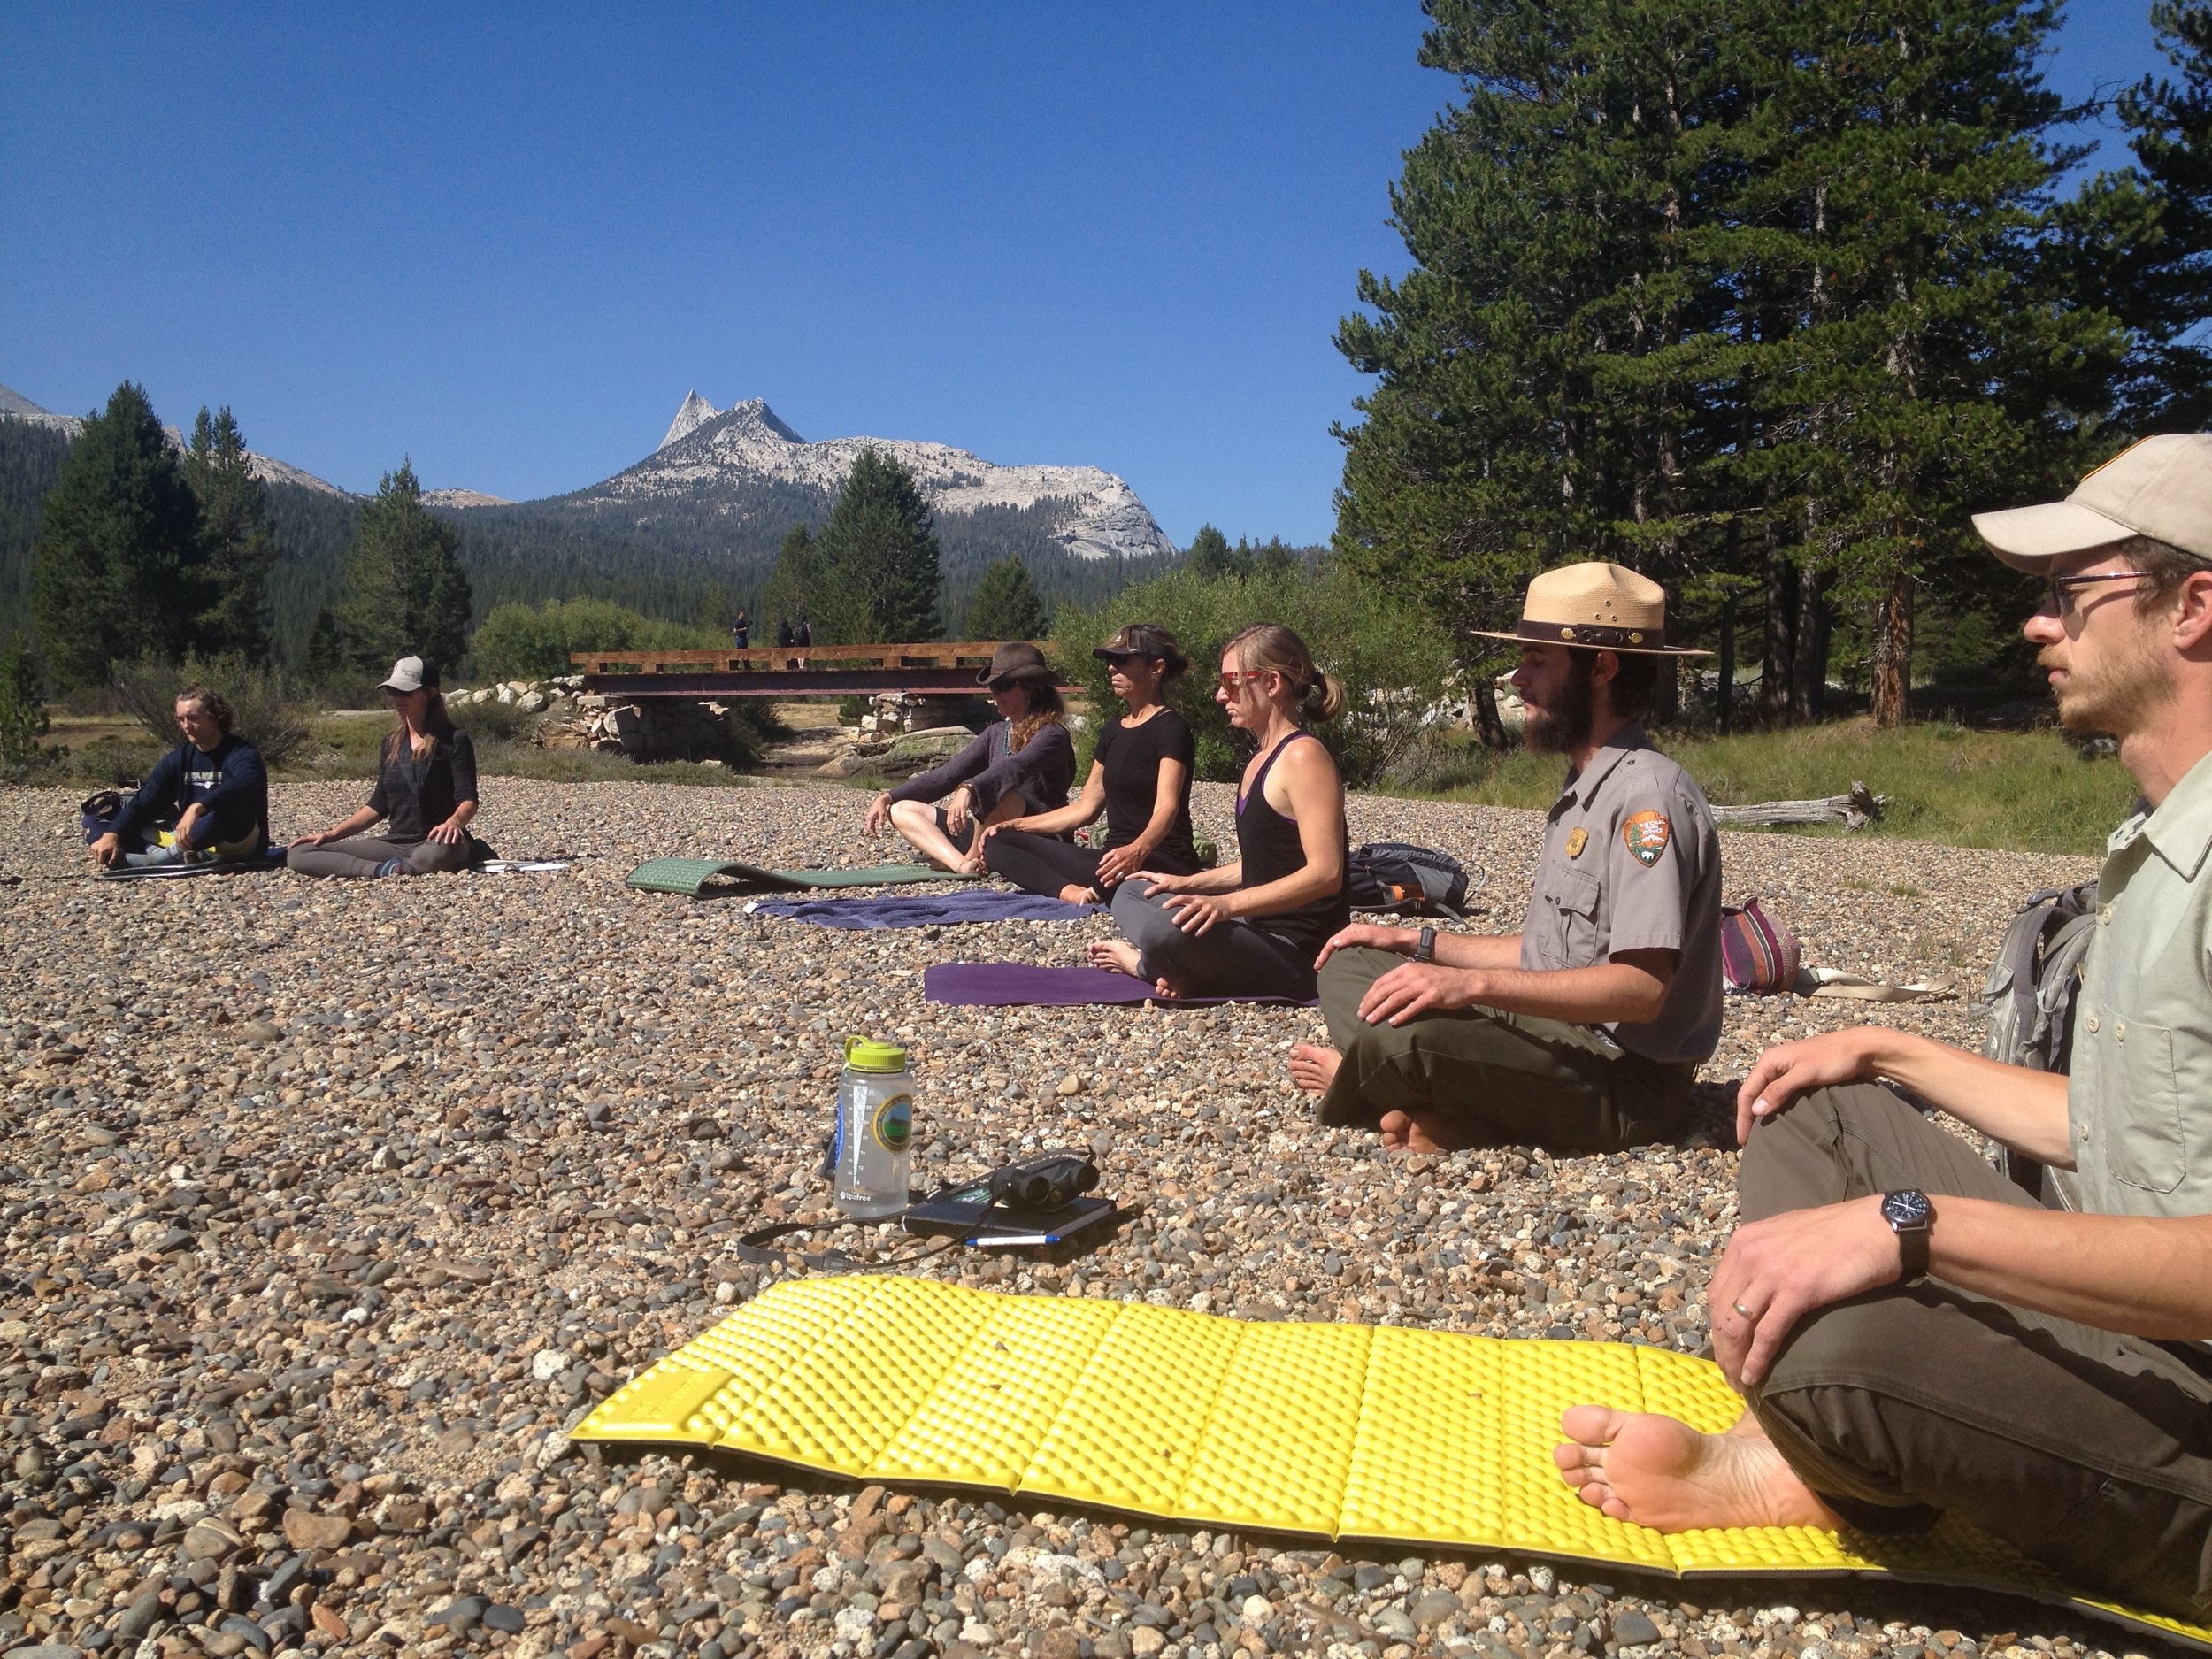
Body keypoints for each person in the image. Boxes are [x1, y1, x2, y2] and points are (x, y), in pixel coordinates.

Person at [1552, 434, 2212, 1624]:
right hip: (2139, 1314)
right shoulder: (2161, 841)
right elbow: (2138, 1129)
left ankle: (1803, 1449)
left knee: (1837, 1347)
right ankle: (1824, 1429)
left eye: (2072, 593)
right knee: (1812, 1101)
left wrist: (1914, 1226)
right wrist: (1888, 1048)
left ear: (2194, 606)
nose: (2038, 625)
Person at [1289, 562, 1721, 1154]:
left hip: (1625, 1080)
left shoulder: (1647, 797)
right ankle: (1452, 1114)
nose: (1518, 679)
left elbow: (1642, 988)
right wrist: (1417, 946)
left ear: (1602, 667)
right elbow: (1545, 955)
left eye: (1538, 661)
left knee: (1405, 1037)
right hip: (1556, 1032)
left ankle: (1361, 1079)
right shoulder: (1588, 784)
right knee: (1347, 960)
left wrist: (1469, 987)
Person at [1091, 623, 1348, 1000]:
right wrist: (1187, 884)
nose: (1218, 695)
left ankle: (1144, 965)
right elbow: (1267, 866)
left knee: (1167, 930)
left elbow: (1326, 874)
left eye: (1231, 683)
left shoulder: (1304, 757)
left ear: (1272, 682)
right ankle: (1190, 969)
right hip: (1254, 928)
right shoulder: (1259, 761)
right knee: (1133, 891)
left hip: (1299, 954)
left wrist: (1226, 905)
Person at [979, 624, 1203, 902]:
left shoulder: (1170, 727)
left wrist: (1137, 850)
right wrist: (1015, 826)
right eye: (1110, 661)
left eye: (1122, 661)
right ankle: (1071, 892)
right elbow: (1085, 809)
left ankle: (1096, 889)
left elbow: (1167, 806)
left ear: (1156, 668)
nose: (1111, 668)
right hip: (1111, 860)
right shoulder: (1113, 731)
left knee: (1111, 874)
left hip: (1160, 859)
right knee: (996, 843)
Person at [863, 643, 1076, 874]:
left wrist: (970, 788)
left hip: (1038, 839)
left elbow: (1014, 769)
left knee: (1000, 792)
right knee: (901, 809)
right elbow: (947, 775)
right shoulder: (996, 734)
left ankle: (974, 857)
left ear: (1030, 689)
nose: (995, 693)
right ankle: (964, 865)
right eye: (993, 686)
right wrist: (889, 796)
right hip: (987, 833)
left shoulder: (1053, 735)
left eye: (1002, 685)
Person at [288, 657, 480, 878]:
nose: (397, 698)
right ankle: (381, 870)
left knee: (433, 854)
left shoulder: (454, 740)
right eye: (392, 692)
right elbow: (378, 805)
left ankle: (403, 866)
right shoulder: (390, 743)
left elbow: (468, 800)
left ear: (430, 693)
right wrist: (333, 833)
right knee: (299, 853)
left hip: (440, 842)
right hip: (396, 843)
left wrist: (453, 823)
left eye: (405, 692)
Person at [89, 684, 268, 869]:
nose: (186, 726)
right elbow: (146, 801)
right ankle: (167, 853)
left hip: (237, 841)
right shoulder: (179, 759)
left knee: (231, 810)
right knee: (102, 823)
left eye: (193, 718)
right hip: (191, 841)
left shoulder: (241, 752)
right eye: (180, 719)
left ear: (216, 717)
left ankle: (154, 860)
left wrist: (197, 808)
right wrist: (112, 834)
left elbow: (245, 782)